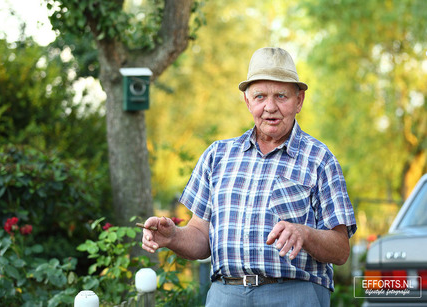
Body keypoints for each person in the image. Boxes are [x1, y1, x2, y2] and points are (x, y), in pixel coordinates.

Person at [141, 47, 357, 307]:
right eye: (260, 96)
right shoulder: (217, 156)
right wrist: (173, 237)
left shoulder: (320, 159)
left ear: (299, 100)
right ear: (247, 101)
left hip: (294, 295)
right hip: (225, 296)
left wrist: (305, 234)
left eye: (281, 96)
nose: (270, 107)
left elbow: (341, 250)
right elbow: (201, 237)